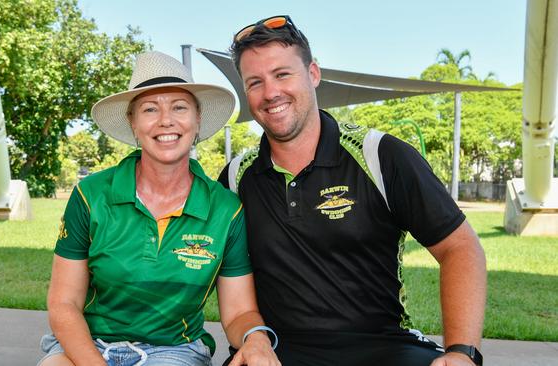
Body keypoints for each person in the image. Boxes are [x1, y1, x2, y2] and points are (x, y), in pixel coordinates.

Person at [218, 15, 487, 366]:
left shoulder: (380, 155)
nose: (271, 93)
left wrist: (462, 352)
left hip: (384, 345)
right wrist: (252, 341)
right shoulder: (238, 176)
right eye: (255, 82)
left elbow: (460, 247)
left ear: (313, 74)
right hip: (278, 350)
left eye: (283, 74)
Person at [40, 51, 280, 366]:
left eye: (179, 107)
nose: (166, 120)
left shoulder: (225, 210)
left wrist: (257, 340)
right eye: (150, 109)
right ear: (134, 124)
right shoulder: (91, 195)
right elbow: (63, 304)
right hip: (87, 343)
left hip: (173, 350)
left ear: (197, 120)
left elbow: (238, 312)